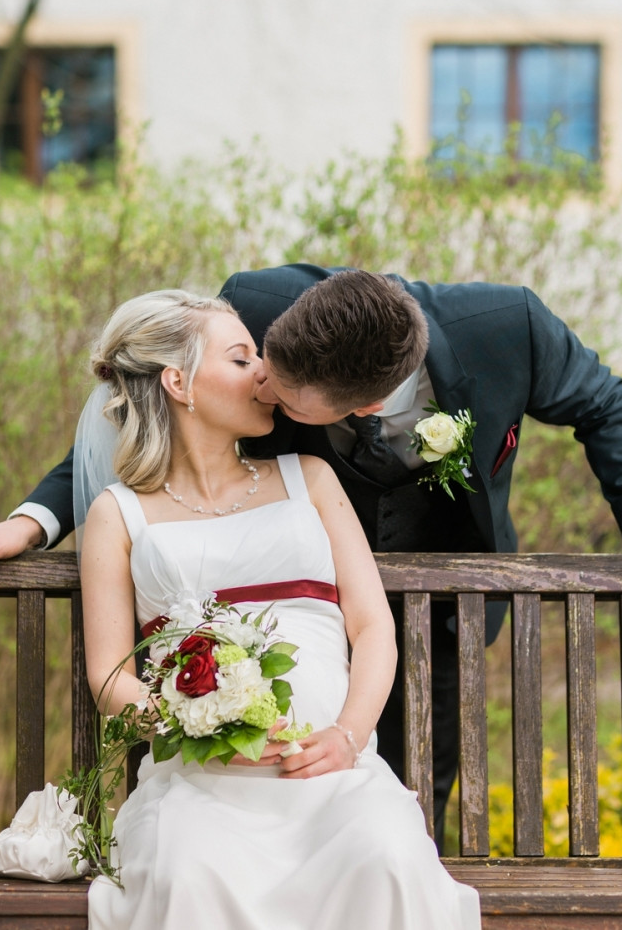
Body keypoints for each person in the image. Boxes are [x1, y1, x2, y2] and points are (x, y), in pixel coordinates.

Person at [0, 265, 622, 847]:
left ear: (356, 407)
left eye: (281, 396)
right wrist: (33, 521)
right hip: (288, 609)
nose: (259, 381)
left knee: (409, 811)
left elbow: (603, 404)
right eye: (254, 364)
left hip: (442, 621)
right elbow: (140, 414)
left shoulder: (508, 326)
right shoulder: (257, 313)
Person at [78, 289, 480, 930]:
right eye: (241, 360)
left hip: (330, 778)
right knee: (191, 875)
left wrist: (348, 738)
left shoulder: (309, 478)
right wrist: (200, 728)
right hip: (200, 785)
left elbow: (373, 627)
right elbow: (108, 676)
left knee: (386, 860)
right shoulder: (117, 514)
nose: (264, 374)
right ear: (178, 382)